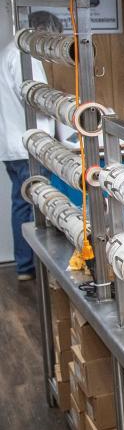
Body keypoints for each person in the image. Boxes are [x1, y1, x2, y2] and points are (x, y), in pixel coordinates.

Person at [1, 36, 54, 282]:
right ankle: (36, 264)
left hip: (14, 144)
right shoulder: (25, 56)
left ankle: (25, 265)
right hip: (28, 145)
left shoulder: (7, 52)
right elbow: (37, 98)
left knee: (21, 202)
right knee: (36, 203)